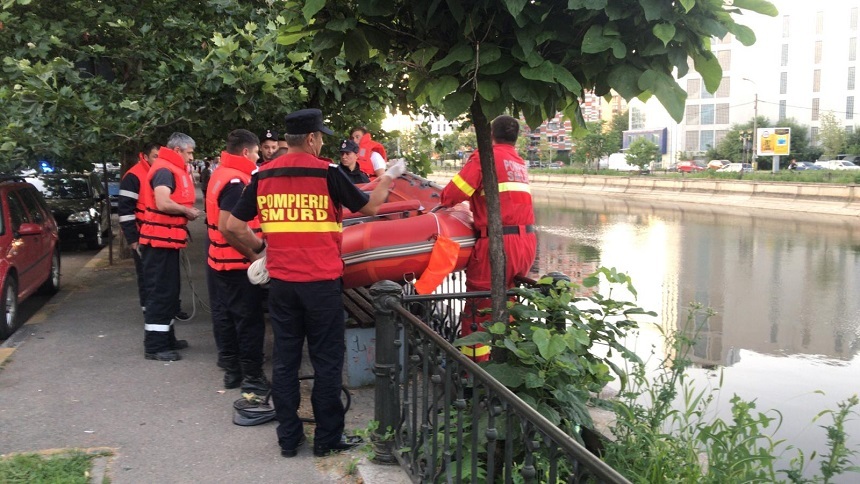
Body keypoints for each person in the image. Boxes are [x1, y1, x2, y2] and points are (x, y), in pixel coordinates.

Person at [225, 108, 406, 458]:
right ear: (311, 139)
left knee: (285, 361)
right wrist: (389, 177)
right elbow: (370, 208)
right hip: (321, 285)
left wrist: (260, 251)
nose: (323, 143)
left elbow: (232, 226)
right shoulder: (328, 173)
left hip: (281, 286)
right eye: (321, 137)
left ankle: (289, 439)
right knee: (326, 362)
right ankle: (327, 439)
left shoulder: (262, 175)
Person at [439, 115, 537, 362]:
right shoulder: (518, 161)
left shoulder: (485, 157)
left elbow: (451, 194)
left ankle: (475, 375)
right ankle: (506, 363)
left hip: (498, 242)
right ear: (515, 138)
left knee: (478, 308)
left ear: (490, 135)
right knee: (509, 302)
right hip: (526, 242)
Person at [206, 129, 269, 392]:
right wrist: (257, 252)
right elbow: (229, 226)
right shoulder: (236, 182)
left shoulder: (220, 174)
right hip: (238, 265)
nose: (257, 157)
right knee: (249, 322)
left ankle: (232, 372)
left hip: (219, 262)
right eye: (256, 152)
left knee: (227, 317)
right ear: (246, 151)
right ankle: (253, 380)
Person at [138, 132, 201, 361]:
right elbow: (163, 202)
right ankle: (155, 346)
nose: (191, 157)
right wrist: (186, 211)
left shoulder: (169, 168)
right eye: (189, 152)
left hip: (167, 241)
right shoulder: (165, 170)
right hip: (158, 242)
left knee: (169, 293)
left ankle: (167, 338)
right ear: (177, 150)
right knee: (160, 293)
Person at [118, 142, 159, 313]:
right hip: (142, 235)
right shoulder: (133, 176)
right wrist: (133, 239)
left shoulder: (160, 173)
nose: (158, 161)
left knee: (163, 276)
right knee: (146, 275)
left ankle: (166, 307)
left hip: (160, 235)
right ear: (145, 156)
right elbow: (125, 210)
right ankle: (148, 308)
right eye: (155, 156)